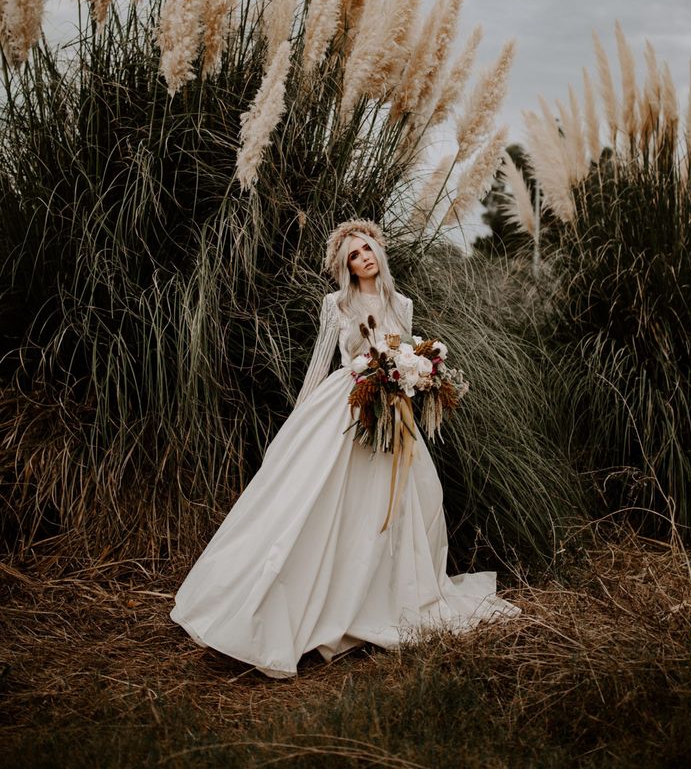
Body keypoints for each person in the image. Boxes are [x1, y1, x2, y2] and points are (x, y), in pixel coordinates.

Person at [170, 218, 520, 678]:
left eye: (368, 248)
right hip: (347, 407)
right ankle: (302, 599)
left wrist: (414, 376)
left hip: (395, 413)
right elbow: (320, 362)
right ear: (345, 265)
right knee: (330, 503)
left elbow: (406, 351)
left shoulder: (403, 303)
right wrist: (298, 423)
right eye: (353, 254)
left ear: (379, 251)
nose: (364, 257)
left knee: (412, 502)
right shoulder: (336, 304)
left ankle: (383, 596)